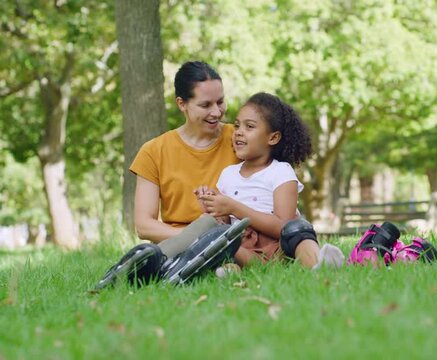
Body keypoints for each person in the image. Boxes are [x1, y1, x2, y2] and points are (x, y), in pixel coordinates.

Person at [93, 62, 336, 291]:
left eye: (220, 102)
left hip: (233, 238)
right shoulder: (154, 151)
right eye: (206, 105)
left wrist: (216, 235)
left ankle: (181, 265)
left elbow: (273, 187)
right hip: (189, 240)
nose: (217, 112)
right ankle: (143, 268)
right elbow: (144, 225)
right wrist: (201, 239)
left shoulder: (240, 140)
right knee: (210, 235)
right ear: (182, 104)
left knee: (224, 242)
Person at [195, 92, 344, 270]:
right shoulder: (228, 174)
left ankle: (319, 264)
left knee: (299, 231)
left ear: (272, 137)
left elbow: (284, 226)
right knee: (215, 237)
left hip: (277, 249)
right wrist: (213, 207)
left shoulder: (281, 172)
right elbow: (225, 223)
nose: (238, 133)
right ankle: (229, 268)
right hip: (242, 248)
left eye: (249, 127)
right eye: (237, 126)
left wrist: (234, 207)